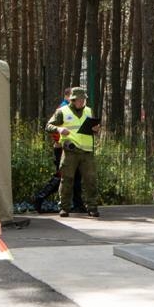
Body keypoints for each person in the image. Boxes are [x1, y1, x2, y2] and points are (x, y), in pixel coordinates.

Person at [45, 87, 100, 218]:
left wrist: (96, 129)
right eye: (79, 100)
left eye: (84, 99)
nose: (82, 102)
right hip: (70, 151)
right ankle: (64, 208)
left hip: (87, 151)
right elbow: (48, 126)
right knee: (67, 180)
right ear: (73, 100)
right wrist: (59, 129)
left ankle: (92, 207)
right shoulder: (62, 111)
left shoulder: (88, 111)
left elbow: (93, 129)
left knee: (90, 180)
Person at [32, 87, 83, 213]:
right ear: (68, 96)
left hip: (72, 148)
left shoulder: (74, 110)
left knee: (75, 175)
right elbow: (53, 127)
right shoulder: (63, 109)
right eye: (74, 97)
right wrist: (59, 141)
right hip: (63, 148)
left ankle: (78, 204)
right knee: (62, 176)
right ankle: (39, 198)